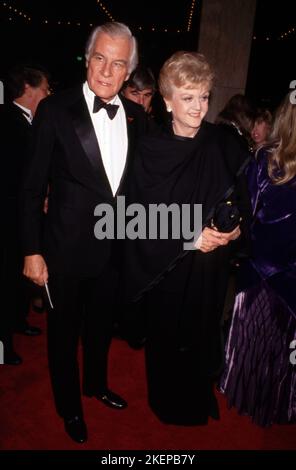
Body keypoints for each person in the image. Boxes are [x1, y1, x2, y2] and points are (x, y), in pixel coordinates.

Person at [21, 22, 147, 443]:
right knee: (63, 334)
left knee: (100, 328)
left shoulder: (137, 115)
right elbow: (31, 188)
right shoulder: (56, 110)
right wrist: (31, 250)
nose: (107, 72)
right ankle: (68, 407)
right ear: (87, 57)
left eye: (118, 64)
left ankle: (95, 384)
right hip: (64, 250)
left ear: (128, 71)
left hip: (115, 250)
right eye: (99, 59)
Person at [125, 51, 250, 425]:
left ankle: (199, 398)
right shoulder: (149, 149)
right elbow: (131, 220)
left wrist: (236, 229)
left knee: (203, 332)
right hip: (168, 267)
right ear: (167, 101)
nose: (198, 108)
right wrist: (190, 238)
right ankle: (168, 403)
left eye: (204, 97)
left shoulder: (223, 142)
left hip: (211, 269)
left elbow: (242, 201)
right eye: (188, 98)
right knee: (168, 336)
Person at [219, 93, 296, 427]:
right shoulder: (264, 158)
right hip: (284, 275)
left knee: (254, 343)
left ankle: (244, 396)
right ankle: (277, 405)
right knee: (281, 348)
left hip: (261, 268)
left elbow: (248, 215)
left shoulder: (265, 159)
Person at [0, 64, 50, 365]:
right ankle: (3, 347)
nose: (47, 94)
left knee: (17, 277)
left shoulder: (25, 123)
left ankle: (17, 323)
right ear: (29, 89)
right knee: (5, 280)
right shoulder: (8, 121)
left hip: (19, 217)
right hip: (8, 219)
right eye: (45, 88)